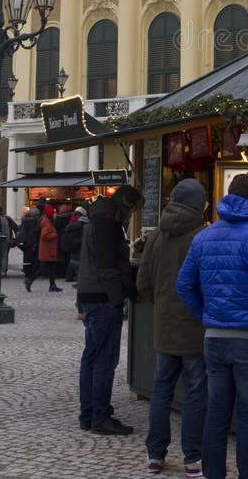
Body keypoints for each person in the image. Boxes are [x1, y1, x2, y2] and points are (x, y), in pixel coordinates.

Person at [177, 172, 248, 479]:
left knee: (216, 413)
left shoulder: (203, 236)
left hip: (214, 339)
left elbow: (184, 284)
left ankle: (214, 474)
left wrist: (206, 316)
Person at [137, 178, 208, 476]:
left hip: (164, 328)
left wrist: (163, 303)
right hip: (195, 328)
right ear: (199, 204)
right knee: (195, 393)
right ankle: (192, 458)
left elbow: (143, 283)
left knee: (161, 391)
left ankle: (155, 456)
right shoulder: (203, 236)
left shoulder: (155, 236)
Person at [77, 184, 143, 435]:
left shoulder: (97, 218)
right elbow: (107, 267)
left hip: (90, 295)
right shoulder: (107, 224)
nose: (133, 215)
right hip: (102, 299)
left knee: (92, 358)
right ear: (126, 205)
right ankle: (99, 416)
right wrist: (120, 298)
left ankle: (89, 413)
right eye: (134, 209)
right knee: (104, 360)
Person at [24, 204, 62, 292]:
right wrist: (54, 235)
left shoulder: (46, 222)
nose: (55, 215)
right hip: (47, 250)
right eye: (54, 213)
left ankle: (52, 285)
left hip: (49, 250)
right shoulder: (47, 223)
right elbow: (44, 236)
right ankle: (30, 280)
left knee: (51, 269)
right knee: (43, 269)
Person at [62, 206, 88, 282]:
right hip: (79, 244)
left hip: (71, 245)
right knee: (78, 261)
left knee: (73, 260)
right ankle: (80, 277)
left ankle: (69, 276)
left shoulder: (72, 221)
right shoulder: (83, 223)